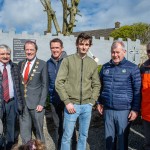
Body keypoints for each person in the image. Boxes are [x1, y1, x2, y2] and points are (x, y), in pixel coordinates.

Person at [55, 33, 100, 150]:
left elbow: (96, 84)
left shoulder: (92, 63)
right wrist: (67, 101)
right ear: (77, 44)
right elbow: (58, 83)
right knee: (67, 136)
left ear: (89, 46)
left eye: (86, 44)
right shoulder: (67, 61)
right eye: (81, 44)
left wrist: (92, 101)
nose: (84, 47)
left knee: (83, 135)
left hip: (87, 106)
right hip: (72, 105)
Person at [97, 40, 141, 150]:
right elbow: (99, 86)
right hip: (108, 110)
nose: (115, 55)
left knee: (122, 141)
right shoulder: (105, 67)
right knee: (109, 141)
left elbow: (137, 90)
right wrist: (99, 102)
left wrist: (135, 109)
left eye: (118, 52)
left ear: (124, 52)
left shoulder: (133, 68)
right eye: (113, 52)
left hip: (124, 111)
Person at [47, 38, 76, 150]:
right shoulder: (48, 63)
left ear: (62, 48)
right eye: (53, 48)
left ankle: (72, 146)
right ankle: (59, 147)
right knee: (57, 125)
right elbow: (47, 82)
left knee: (70, 125)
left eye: (57, 47)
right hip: (55, 100)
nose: (55, 50)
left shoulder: (69, 61)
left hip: (68, 100)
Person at [19, 41, 48, 144]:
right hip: (23, 105)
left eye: (31, 49)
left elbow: (45, 85)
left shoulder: (42, 64)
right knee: (25, 132)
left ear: (36, 50)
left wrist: (41, 103)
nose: (29, 52)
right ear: (24, 51)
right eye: (27, 49)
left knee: (39, 132)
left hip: (36, 105)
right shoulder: (21, 64)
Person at [0, 44, 23, 150]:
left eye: (7, 54)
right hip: (1, 102)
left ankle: (9, 147)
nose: (5, 56)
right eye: (2, 54)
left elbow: (19, 87)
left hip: (11, 102)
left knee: (11, 129)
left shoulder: (15, 67)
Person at [140, 42, 150, 150]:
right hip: (146, 111)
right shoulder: (143, 68)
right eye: (149, 51)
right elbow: (139, 89)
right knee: (147, 141)